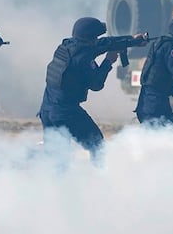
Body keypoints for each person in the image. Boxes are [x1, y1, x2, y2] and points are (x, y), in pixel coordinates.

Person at [39, 17, 144, 164]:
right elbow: (96, 84)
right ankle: (99, 179)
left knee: (57, 158)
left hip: (47, 110)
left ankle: (50, 184)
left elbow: (102, 44)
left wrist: (131, 39)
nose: (97, 40)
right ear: (90, 38)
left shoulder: (66, 46)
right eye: (95, 37)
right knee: (97, 145)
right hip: (66, 112)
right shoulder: (83, 58)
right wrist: (108, 61)